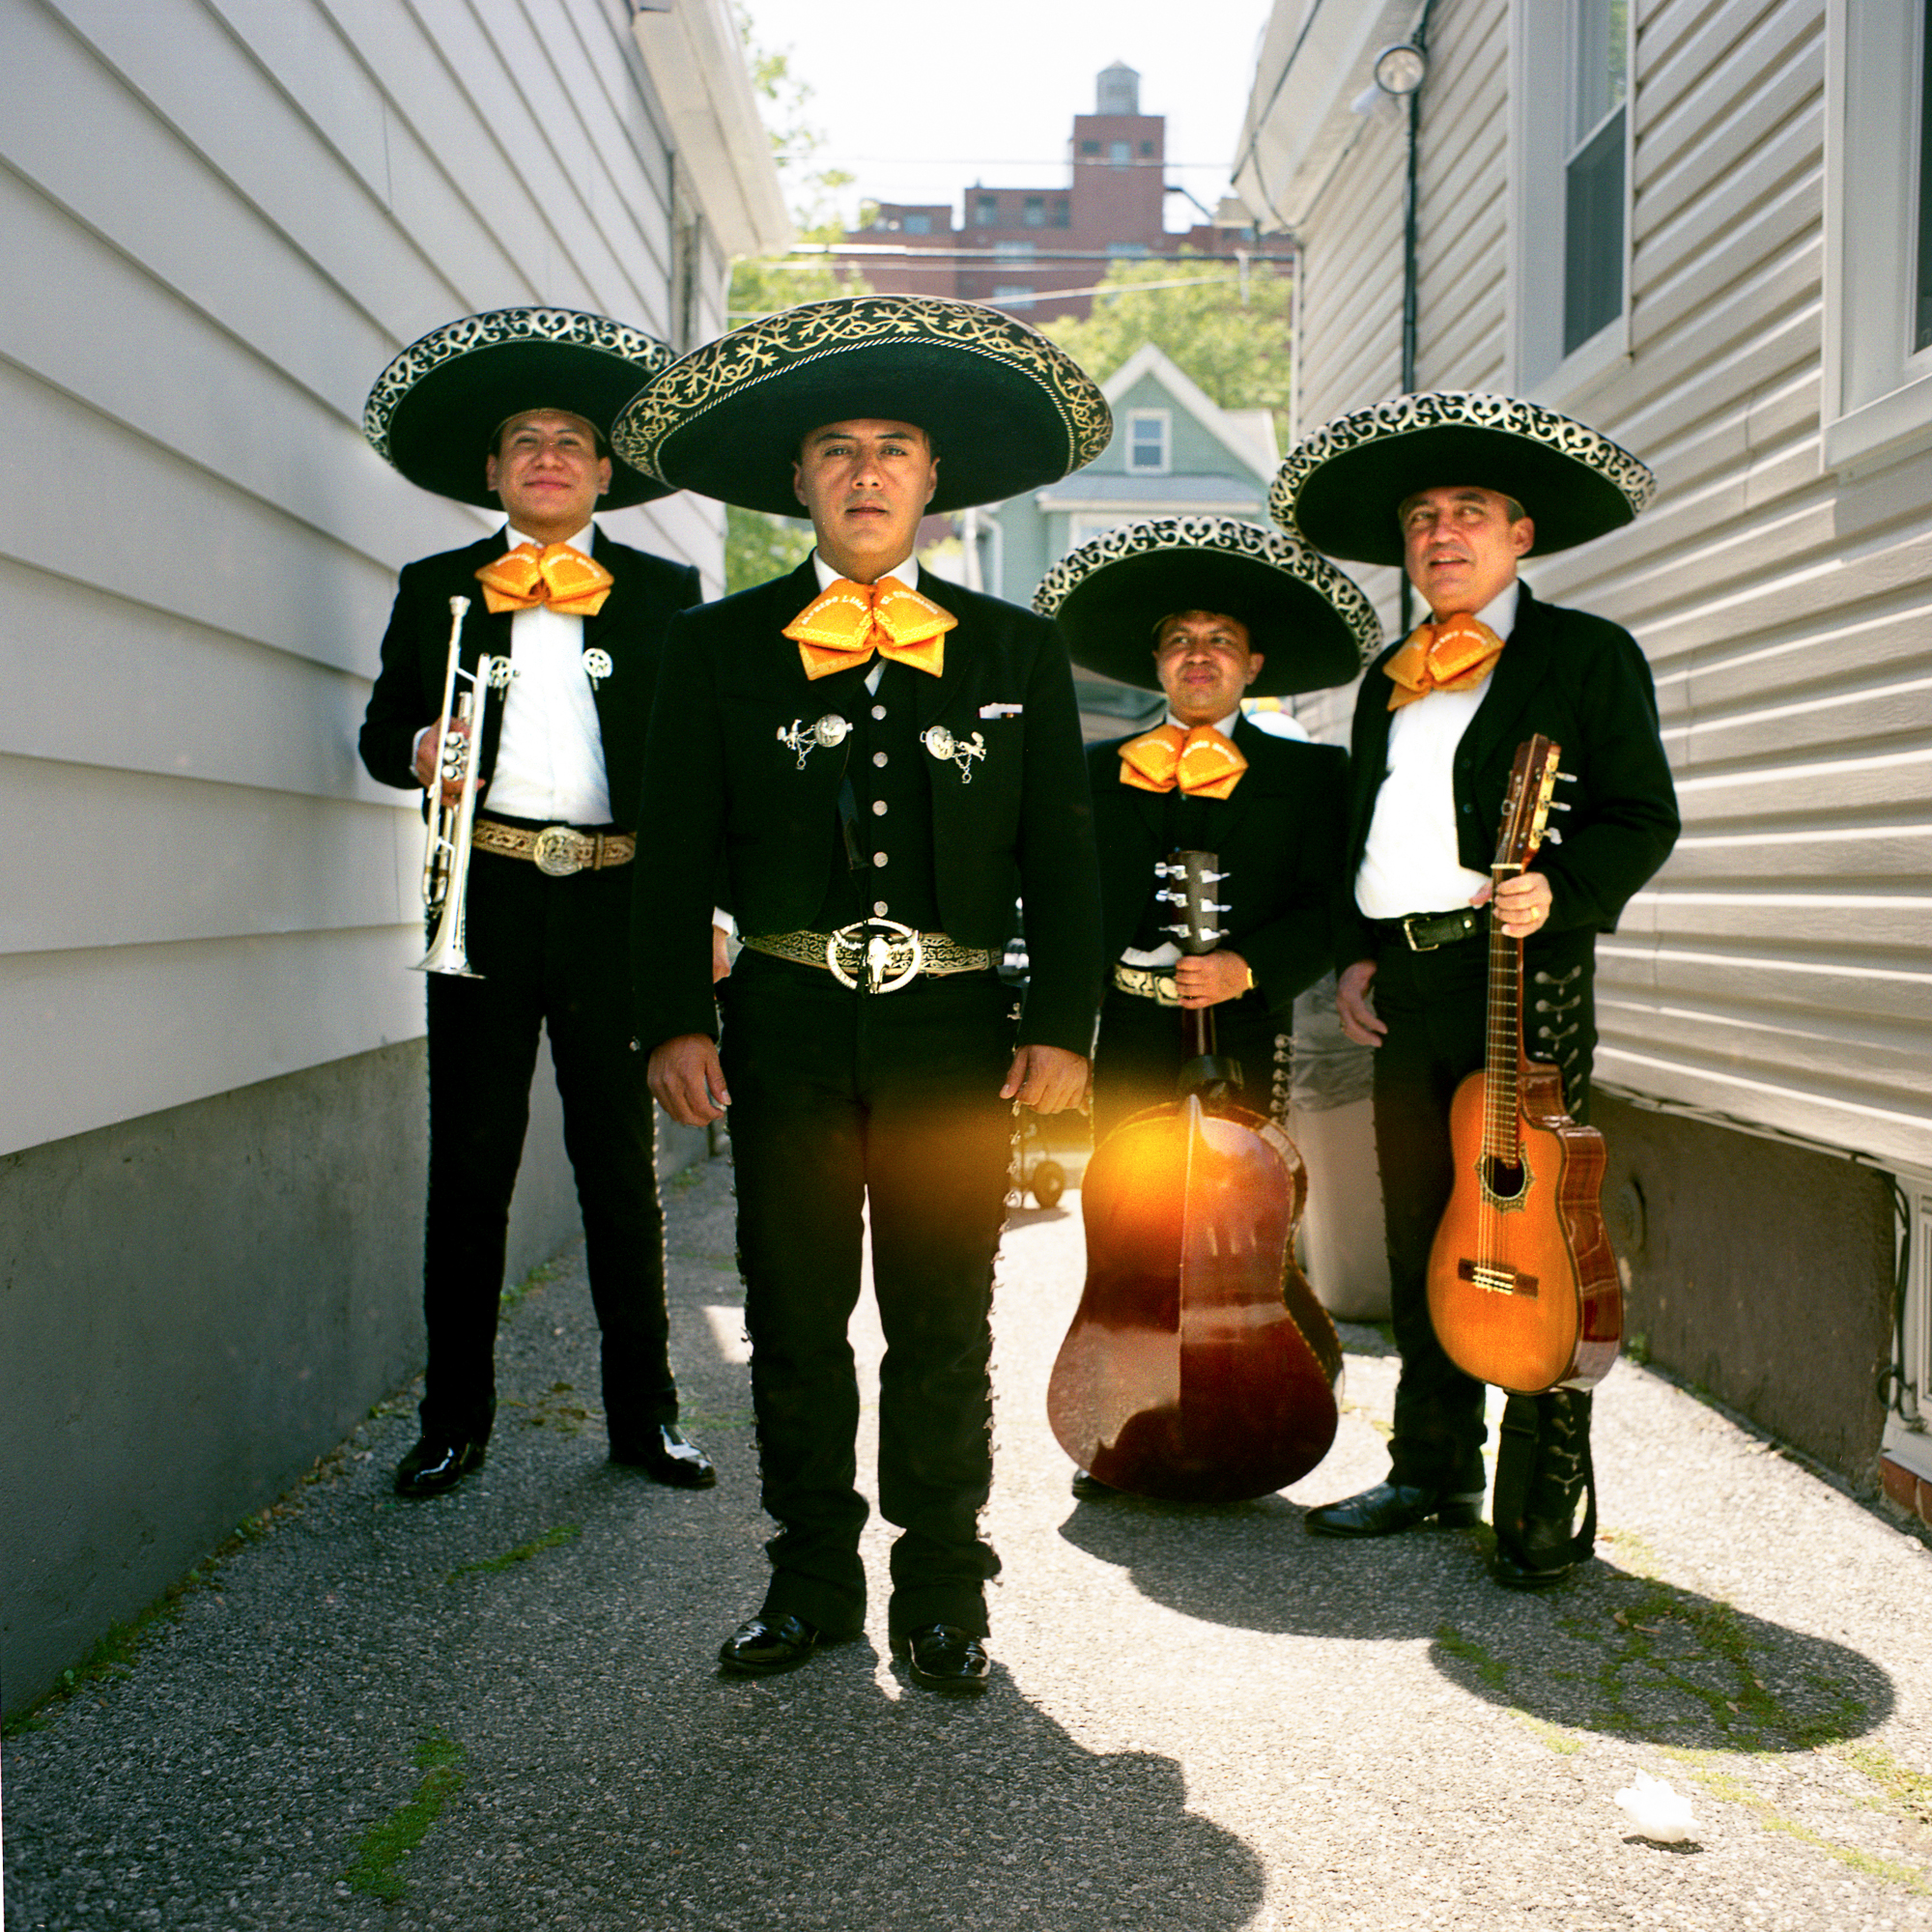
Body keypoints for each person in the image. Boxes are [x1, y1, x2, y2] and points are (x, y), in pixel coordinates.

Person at [612, 295, 1110, 1692]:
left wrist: (1065, 1026)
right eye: (839, 447)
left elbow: (1062, 860)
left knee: (945, 1316)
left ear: (933, 479)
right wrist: (670, 1016)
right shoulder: (714, 650)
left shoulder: (1017, 650)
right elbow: (669, 861)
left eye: (896, 446)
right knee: (792, 1312)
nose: (869, 470)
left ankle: (945, 1589)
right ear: (800, 479)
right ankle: (813, 1581)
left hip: (958, 1035)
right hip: (783, 1028)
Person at [1273, 391, 1679, 1587]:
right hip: (1410, 976)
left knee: (1539, 1222)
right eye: (1418, 518)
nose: (1438, 533)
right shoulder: (1386, 674)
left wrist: (1563, 889)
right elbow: (1373, 825)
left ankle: (1545, 1476)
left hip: (1527, 972)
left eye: (1465, 513)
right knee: (1419, 1228)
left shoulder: (1584, 654)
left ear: (1519, 536)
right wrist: (1356, 947)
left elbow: (1640, 813)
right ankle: (1430, 1462)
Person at [358, 307, 713, 1498]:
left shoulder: (668, 590)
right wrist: (418, 744)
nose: (548, 454)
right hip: (488, 897)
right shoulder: (435, 587)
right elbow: (372, 735)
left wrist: (700, 910)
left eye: (570, 439)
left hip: (615, 901)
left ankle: (644, 1416)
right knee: (468, 1168)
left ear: (604, 471)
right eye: (525, 440)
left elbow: (698, 769)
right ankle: (452, 1419)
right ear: (498, 472)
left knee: (619, 1168)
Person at [1034, 518, 1376, 1153]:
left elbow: (1332, 901)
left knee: (1240, 1220)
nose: (1198, 654)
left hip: (1245, 1023)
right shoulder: (1094, 770)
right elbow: (1063, 905)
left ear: (1253, 665)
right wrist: (1061, 1030)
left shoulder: (1312, 773)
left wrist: (1248, 969)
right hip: (1129, 1031)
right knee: (1126, 1221)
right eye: (1179, 640)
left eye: (1221, 640)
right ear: (1157, 664)